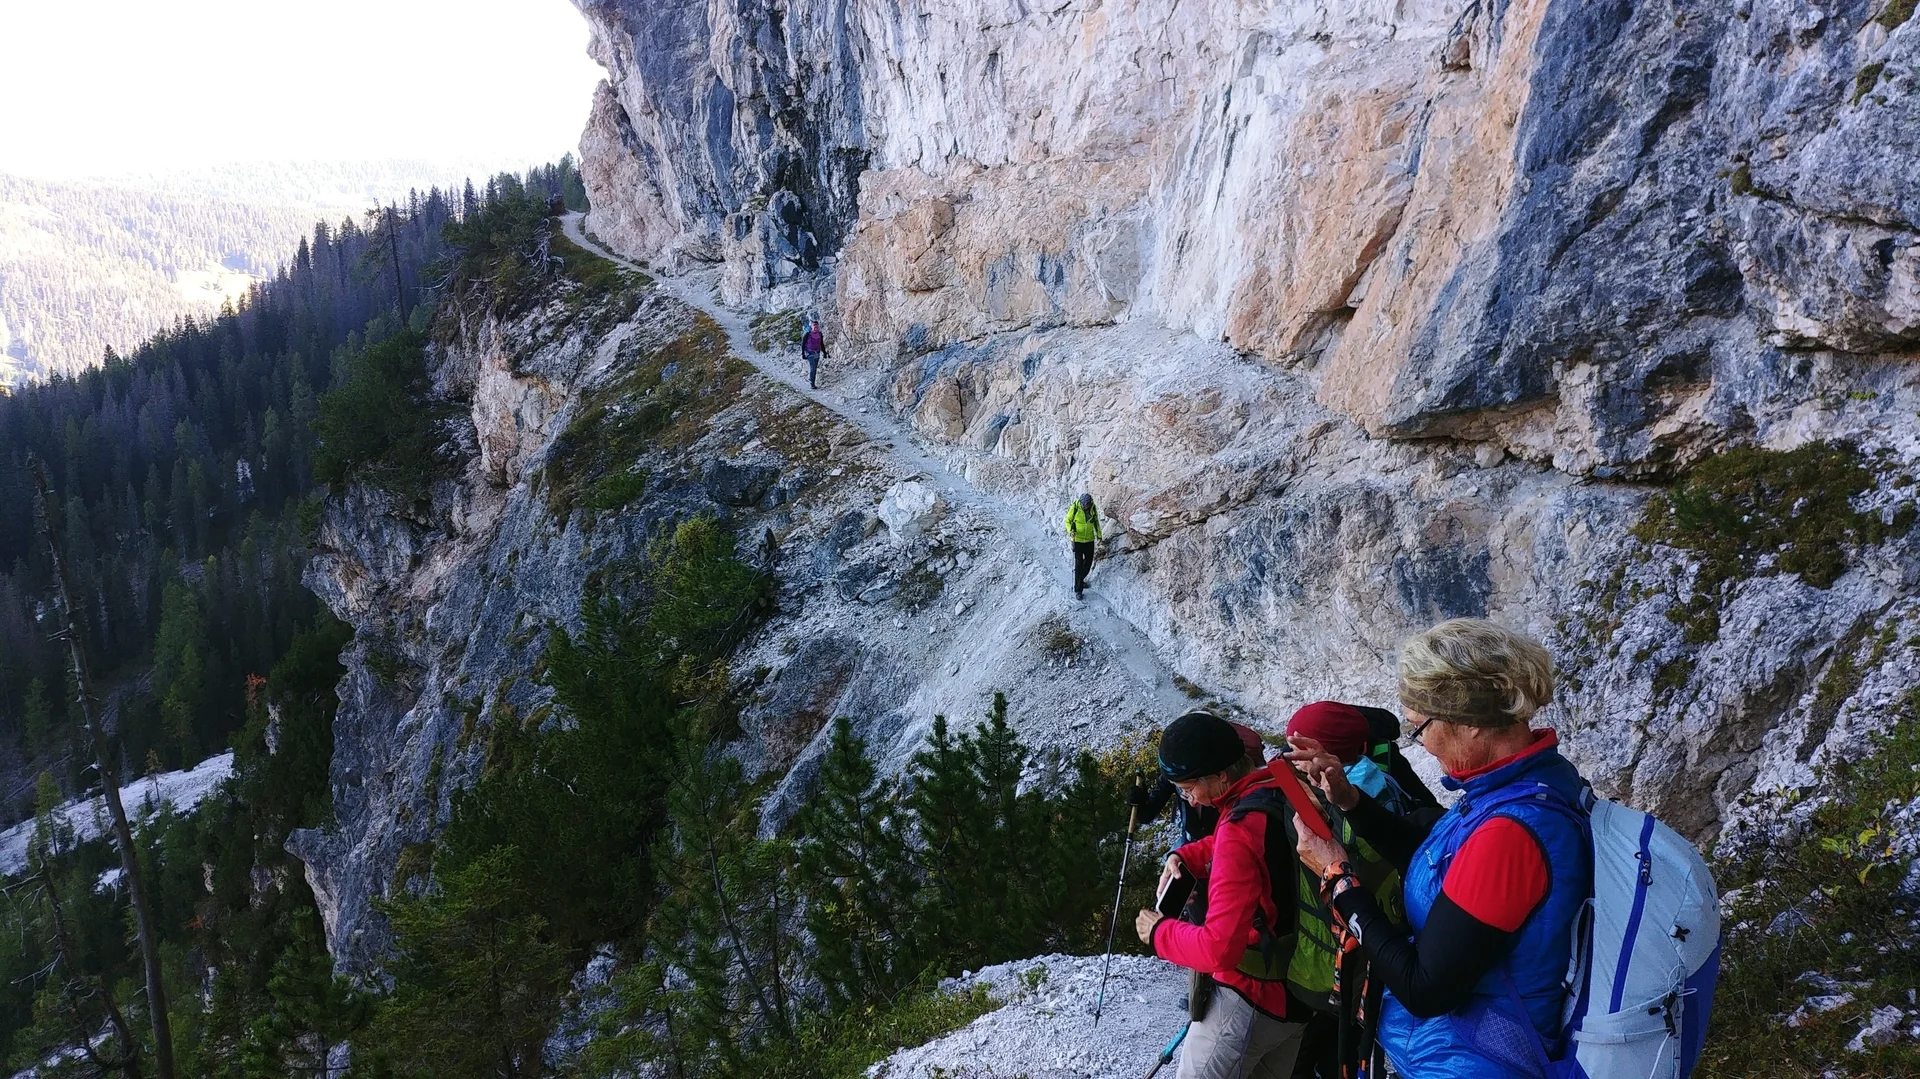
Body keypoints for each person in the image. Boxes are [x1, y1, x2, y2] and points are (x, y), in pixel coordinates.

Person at [1287, 618, 1592, 1079]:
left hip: (1472, 1061)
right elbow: (1442, 861)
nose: (1422, 744)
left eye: (1420, 727)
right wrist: (1349, 799)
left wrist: (1339, 880)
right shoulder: (1526, 784)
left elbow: (1424, 989)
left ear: (1468, 722)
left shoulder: (1508, 832)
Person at [1134, 712, 1308, 1079]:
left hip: (1250, 999)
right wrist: (1185, 854)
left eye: (1188, 788)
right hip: (1299, 993)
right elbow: (1255, 843)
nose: (1189, 799)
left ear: (1220, 777)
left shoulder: (1237, 829)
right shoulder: (1276, 785)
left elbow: (1218, 949)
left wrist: (1159, 932)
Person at [1284, 701, 1432, 819]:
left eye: (1295, 751)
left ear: (1324, 754)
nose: (1293, 759)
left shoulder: (1345, 793)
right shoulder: (1369, 766)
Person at [1129, 720, 1268, 846]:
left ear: (1219, 775)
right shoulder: (1179, 773)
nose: (1192, 802)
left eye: (1188, 789)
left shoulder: (1242, 814)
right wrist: (1139, 803)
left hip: (1212, 843)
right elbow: (1147, 814)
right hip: (1196, 843)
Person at [1064, 493, 1099, 598]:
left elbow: (1096, 521)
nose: (1085, 507)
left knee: (1088, 563)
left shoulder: (1092, 508)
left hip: (1089, 539)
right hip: (1078, 540)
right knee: (1079, 564)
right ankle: (1078, 590)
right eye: (1083, 505)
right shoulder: (1075, 507)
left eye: (1086, 505)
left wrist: (1099, 535)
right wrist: (1071, 531)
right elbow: (1067, 521)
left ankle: (1080, 580)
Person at [800, 317, 825, 389]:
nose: (816, 327)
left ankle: (811, 379)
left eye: (817, 326)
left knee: (814, 368)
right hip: (809, 353)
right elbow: (803, 344)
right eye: (814, 326)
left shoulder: (820, 334)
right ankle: (812, 384)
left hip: (817, 353)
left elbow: (821, 343)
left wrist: (824, 352)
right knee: (813, 368)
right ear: (812, 326)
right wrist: (803, 354)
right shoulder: (808, 334)